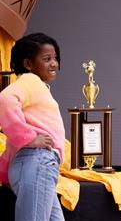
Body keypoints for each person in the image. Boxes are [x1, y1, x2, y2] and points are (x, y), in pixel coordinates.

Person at [0, 33, 65, 220]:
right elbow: (5, 98)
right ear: (28, 64)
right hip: (38, 163)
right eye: (47, 59)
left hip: (35, 163)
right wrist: (29, 138)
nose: (54, 63)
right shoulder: (30, 80)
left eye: (55, 58)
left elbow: (13, 145)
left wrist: (6, 170)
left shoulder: (35, 86)